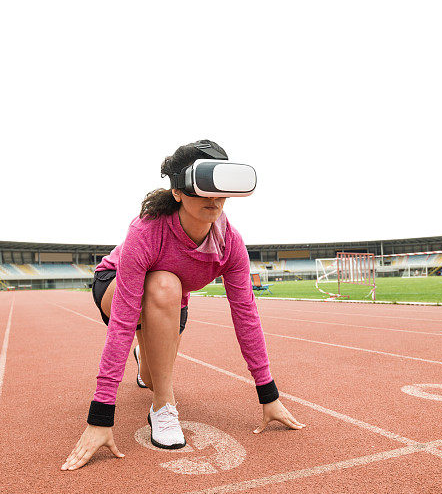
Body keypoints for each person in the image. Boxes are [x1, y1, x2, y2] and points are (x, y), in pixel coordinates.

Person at [62, 140, 305, 471]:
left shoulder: (229, 243)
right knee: (164, 283)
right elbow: (121, 322)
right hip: (117, 285)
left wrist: (269, 395)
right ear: (177, 191)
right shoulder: (146, 230)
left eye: (219, 189)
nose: (213, 199)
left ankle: (144, 357)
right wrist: (101, 415)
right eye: (201, 189)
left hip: (170, 303)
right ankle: (162, 407)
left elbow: (246, 316)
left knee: (151, 371)